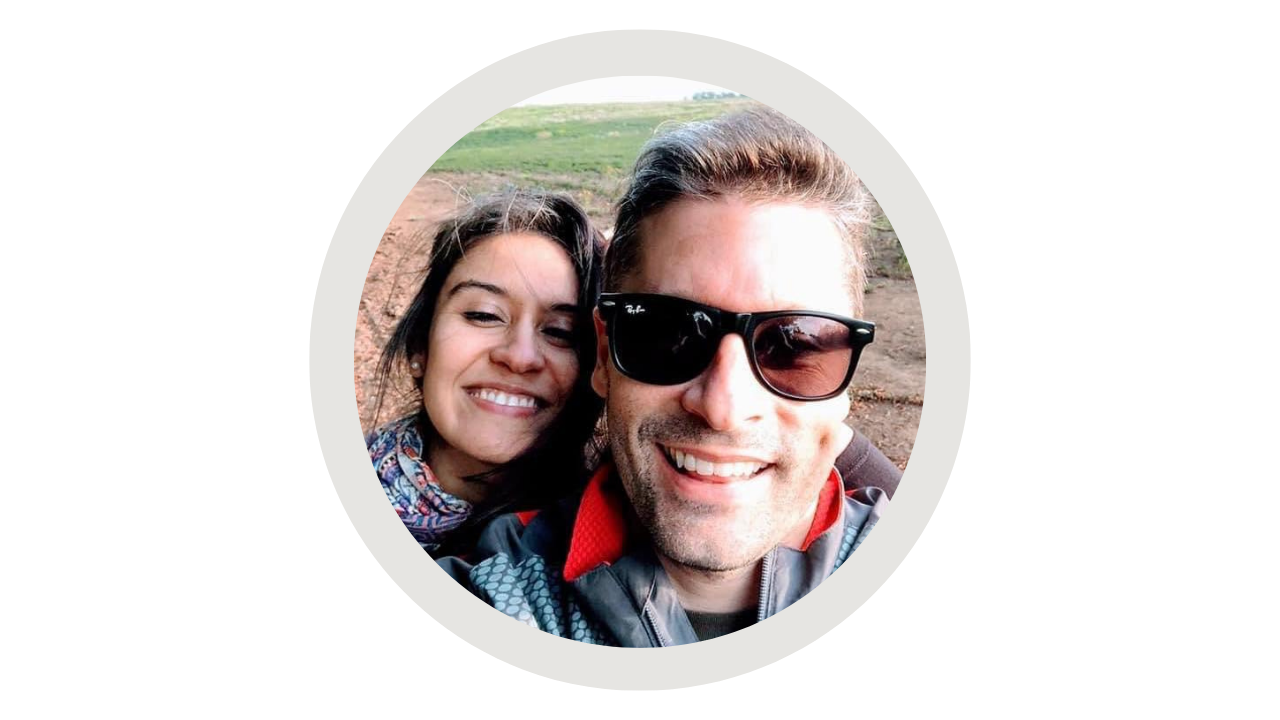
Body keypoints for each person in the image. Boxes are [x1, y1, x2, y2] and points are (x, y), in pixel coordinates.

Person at [439, 108, 889, 645]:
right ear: (603, 355)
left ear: (845, 385)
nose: (723, 407)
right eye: (667, 333)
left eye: (794, 346)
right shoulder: (494, 598)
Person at [366, 191, 606, 556]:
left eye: (561, 332)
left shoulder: (607, 554)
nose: (520, 357)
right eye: (484, 315)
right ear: (419, 345)